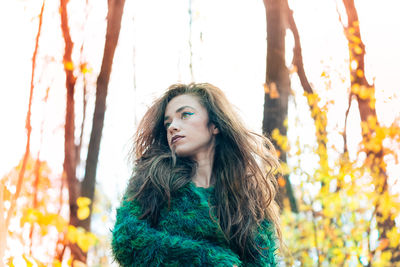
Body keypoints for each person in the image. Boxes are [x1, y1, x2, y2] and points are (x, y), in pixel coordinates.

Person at [111, 83, 282, 266]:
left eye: (185, 115)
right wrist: (206, 259)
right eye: (167, 123)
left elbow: (264, 258)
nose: (172, 127)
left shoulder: (247, 195)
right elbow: (126, 239)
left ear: (214, 125)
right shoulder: (153, 178)